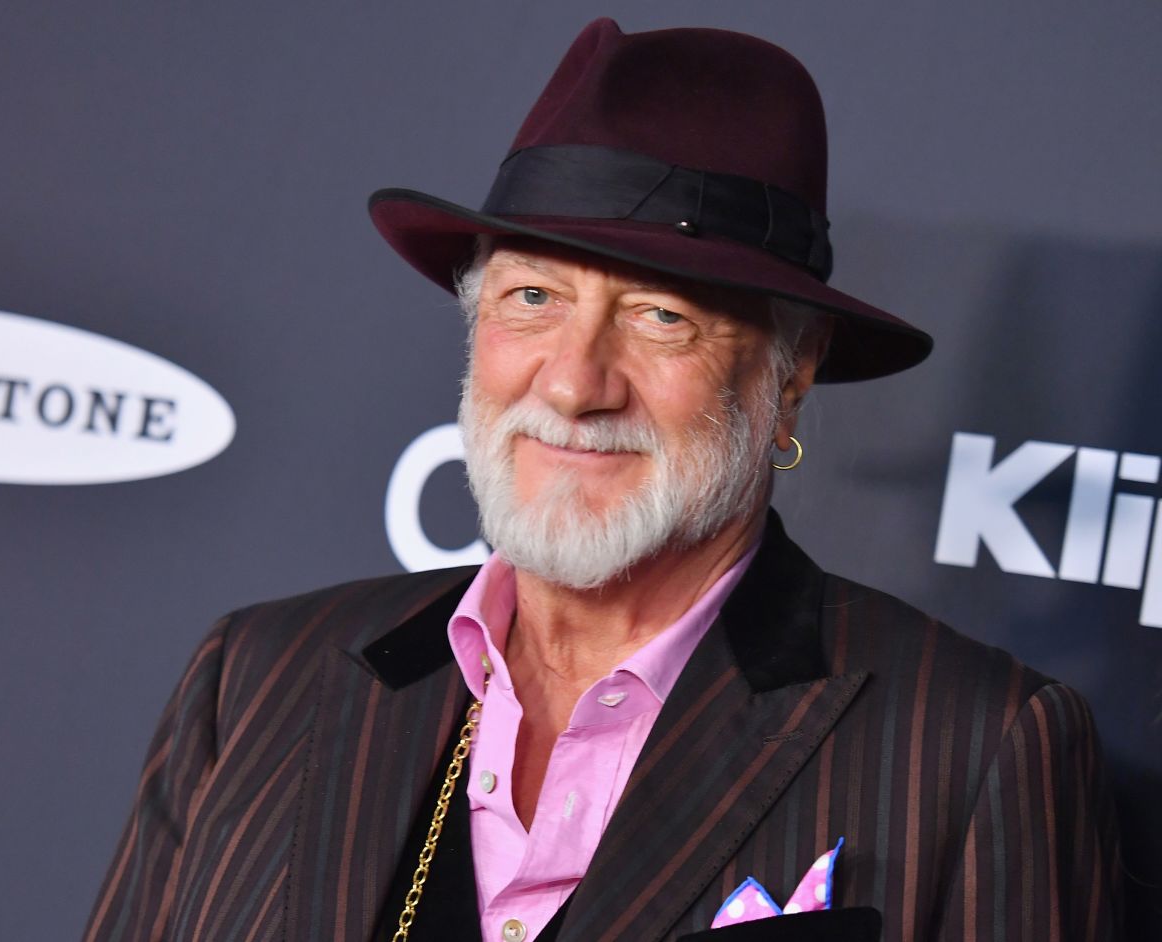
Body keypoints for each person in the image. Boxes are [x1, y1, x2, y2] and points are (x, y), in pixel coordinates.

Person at [84, 19, 1121, 942]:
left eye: (660, 317)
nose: (575, 383)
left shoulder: (972, 745)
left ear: (786, 381)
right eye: (531, 297)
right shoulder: (257, 678)